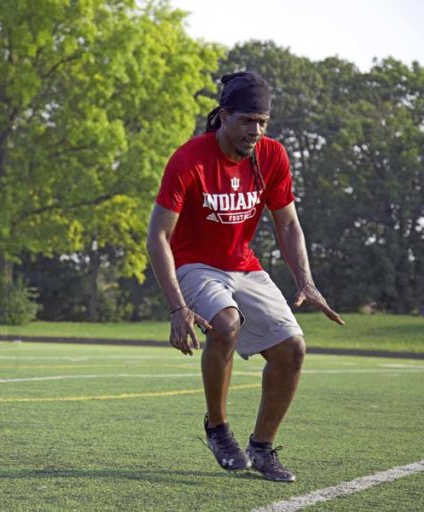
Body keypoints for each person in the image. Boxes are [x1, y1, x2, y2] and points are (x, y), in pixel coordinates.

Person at [145, 71, 344, 482]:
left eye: (262, 122)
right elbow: (158, 236)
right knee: (226, 322)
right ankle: (218, 430)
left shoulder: (272, 156)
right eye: (247, 120)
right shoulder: (188, 159)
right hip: (194, 264)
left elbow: (288, 225)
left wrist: (305, 280)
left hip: (244, 265)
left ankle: (263, 449)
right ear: (223, 116)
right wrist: (177, 307)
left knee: (293, 349)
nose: (255, 130)